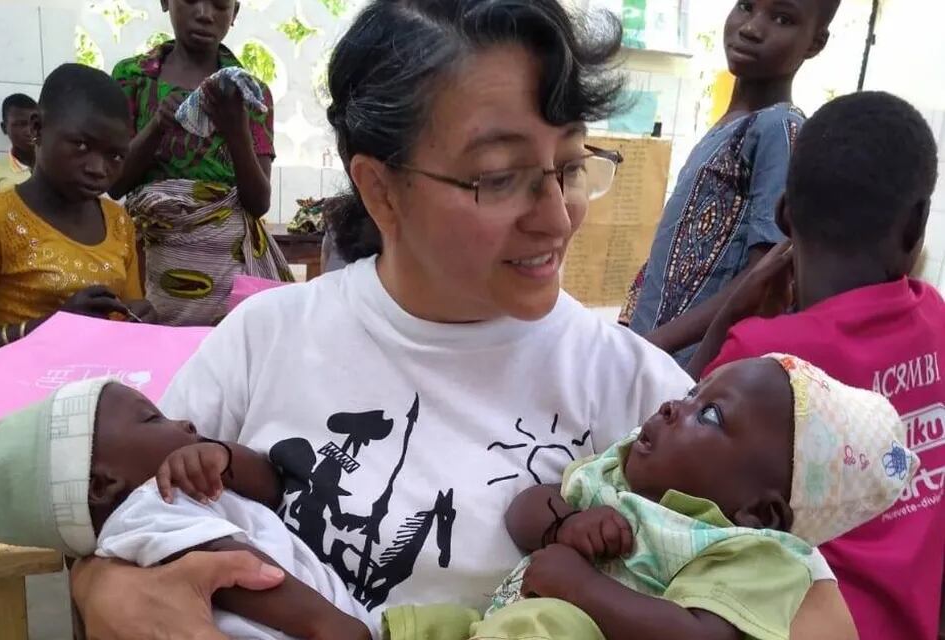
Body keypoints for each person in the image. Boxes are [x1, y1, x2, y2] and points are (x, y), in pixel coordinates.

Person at [68, 2, 858, 638]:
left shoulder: (635, 393)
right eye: (500, 177)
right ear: (380, 190)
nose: (556, 219)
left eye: (572, 166)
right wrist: (109, 595)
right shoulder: (264, 340)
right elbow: (121, 516)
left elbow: (816, 613)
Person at [390, 355, 915, 639]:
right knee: (432, 622)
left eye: (708, 415)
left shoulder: (752, 553)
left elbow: (700, 637)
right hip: (500, 622)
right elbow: (525, 508)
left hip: (560, 625)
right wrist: (563, 524)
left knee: (556, 624)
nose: (672, 406)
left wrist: (581, 589)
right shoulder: (617, 477)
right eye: (692, 392)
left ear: (760, 510)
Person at [688, 91, 944, 640]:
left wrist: (727, 318)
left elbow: (659, 460)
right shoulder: (939, 324)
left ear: (783, 213)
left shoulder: (758, 358)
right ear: (916, 224)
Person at [0, 378, 375, 640]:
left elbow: (271, 487)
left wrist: (225, 457)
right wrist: (325, 625)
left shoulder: (179, 496)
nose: (184, 424)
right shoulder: (144, 512)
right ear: (103, 484)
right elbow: (233, 569)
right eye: (152, 419)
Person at [621, 0, 840, 366]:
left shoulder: (779, 129)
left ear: (815, 43)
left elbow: (764, 276)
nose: (752, 28)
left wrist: (655, 345)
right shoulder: (731, 123)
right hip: (650, 355)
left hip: (687, 368)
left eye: (782, 19)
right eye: (746, 6)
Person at [110, 0, 289, 327]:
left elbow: (259, 202)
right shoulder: (132, 79)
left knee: (222, 357)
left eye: (220, 5)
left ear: (235, 14)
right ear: (165, 2)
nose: (205, 14)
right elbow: (115, 183)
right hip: (150, 266)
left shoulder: (250, 93)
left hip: (226, 273)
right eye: (191, 0)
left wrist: (236, 129)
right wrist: (157, 125)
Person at [0, 64, 155, 373]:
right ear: (37, 129)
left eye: (116, 156)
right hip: (15, 405)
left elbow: (125, 315)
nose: (98, 168)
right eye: (82, 145)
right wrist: (50, 329)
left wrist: (139, 318)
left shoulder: (119, 221)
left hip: (100, 398)